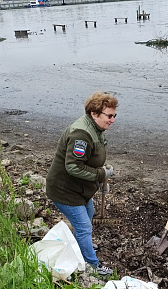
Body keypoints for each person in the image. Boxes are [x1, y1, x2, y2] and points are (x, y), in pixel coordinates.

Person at [46, 91, 118, 276]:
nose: (112, 120)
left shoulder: (96, 129)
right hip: (65, 190)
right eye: (109, 116)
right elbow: (73, 167)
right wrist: (101, 173)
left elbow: (90, 160)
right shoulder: (81, 135)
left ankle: (81, 245)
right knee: (84, 226)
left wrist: (101, 180)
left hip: (79, 188)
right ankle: (92, 264)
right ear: (94, 114)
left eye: (114, 115)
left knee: (89, 213)